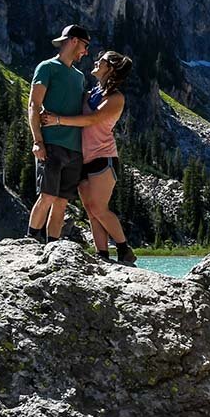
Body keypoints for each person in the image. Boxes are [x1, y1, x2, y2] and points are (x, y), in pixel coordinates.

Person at [42, 50, 136, 265]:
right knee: (91, 211)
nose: (95, 61)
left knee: (99, 208)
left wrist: (58, 121)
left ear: (110, 68)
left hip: (104, 158)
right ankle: (102, 255)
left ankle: (124, 249)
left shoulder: (116, 98)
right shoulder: (92, 92)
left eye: (101, 61)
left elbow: (92, 120)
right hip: (82, 158)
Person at [27, 24, 90, 242]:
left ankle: (52, 246)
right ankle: (31, 241)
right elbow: (34, 105)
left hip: (75, 148)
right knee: (47, 196)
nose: (86, 51)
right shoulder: (47, 67)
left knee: (62, 201)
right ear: (73, 41)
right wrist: (37, 141)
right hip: (51, 143)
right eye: (85, 45)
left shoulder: (80, 76)